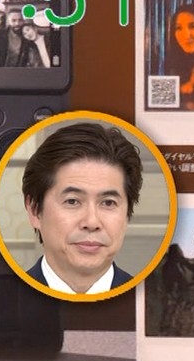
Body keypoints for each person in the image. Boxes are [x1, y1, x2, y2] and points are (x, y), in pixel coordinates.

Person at [22, 122, 141, 294]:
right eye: (72, 201)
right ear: (35, 210)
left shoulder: (148, 299)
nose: (91, 222)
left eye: (108, 203)